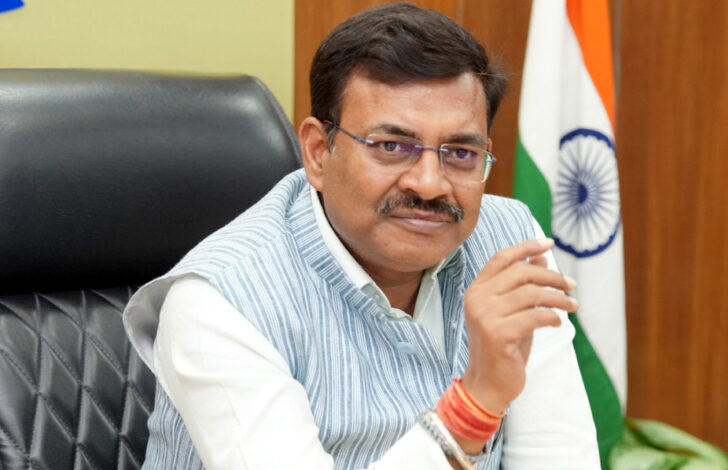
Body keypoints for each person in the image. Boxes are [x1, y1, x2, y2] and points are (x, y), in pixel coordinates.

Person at [124, 3, 600, 469]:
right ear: (318, 152)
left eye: (459, 153)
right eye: (391, 146)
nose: (429, 184)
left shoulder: (509, 241)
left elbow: (559, 456)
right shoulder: (222, 300)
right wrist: (474, 406)